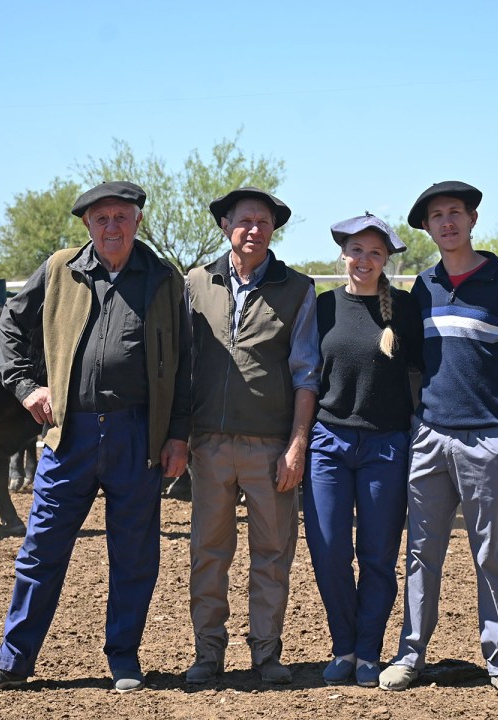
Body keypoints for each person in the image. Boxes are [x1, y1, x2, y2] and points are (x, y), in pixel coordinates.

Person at [0, 181, 191, 695]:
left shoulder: (162, 278)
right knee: (41, 548)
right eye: (102, 218)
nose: (112, 227)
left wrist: (177, 436)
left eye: (122, 217)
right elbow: (10, 328)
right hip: (71, 432)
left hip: (138, 433)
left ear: (137, 221)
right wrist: (25, 386)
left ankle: (123, 656)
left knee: (134, 553)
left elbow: (185, 364)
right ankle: (14, 658)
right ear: (87, 224)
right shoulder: (61, 268)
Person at [378, 181, 498, 698]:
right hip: (430, 439)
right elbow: (410, 368)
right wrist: (415, 426)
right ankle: (410, 654)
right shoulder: (422, 288)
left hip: (486, 444)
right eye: (436, 215)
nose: (447, 222)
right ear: (427, 228)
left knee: (490, 554)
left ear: (473, 220)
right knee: (420, 553)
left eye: (455, 212)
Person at [185, 187, 321, 685]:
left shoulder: (298, 289)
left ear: (273, 229)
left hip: (270, 448)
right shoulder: (197, 284)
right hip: (211, 445)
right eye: (244, 221)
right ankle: (208, 653)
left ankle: (266, 653)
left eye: (263, 222)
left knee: (272, 553)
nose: (254, 230)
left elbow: (307, 373)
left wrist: (297, 445)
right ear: (225, 226)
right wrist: (181, 436)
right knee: (209, 551)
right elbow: (183, 368)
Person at [303, 213, 423, 688]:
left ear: (386, 259)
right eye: (356, 250)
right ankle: (344, 646)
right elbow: (305, 376)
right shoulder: (322, 306)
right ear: (343, 253)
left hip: (387, 446)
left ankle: (369, 651)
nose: (364, 260)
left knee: (377, 554)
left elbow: (424, 371)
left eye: (375, 252)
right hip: (328, 442)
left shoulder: (407, 310)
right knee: (329, 550)